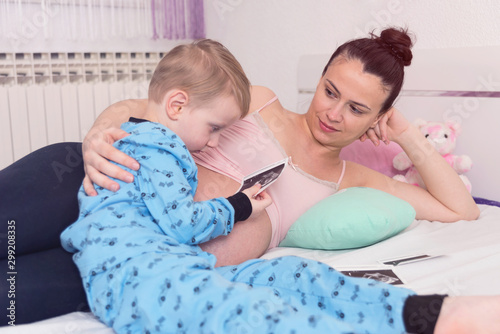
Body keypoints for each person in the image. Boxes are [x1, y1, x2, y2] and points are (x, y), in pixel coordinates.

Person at [1, 28, 499, 333]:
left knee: (12, 293)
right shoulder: (258, 99)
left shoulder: (353, 178)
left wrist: (407, 133)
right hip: (103, 178)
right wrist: (97, 134)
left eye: (356, 109)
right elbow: (152, 104)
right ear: (320, 77)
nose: (332, 113)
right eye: (330, 91)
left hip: (148, 257)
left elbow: (463, 210)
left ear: (378, 116)